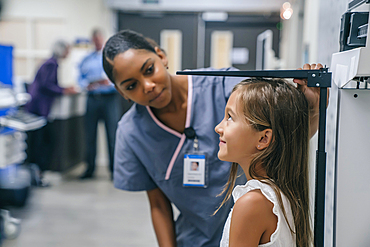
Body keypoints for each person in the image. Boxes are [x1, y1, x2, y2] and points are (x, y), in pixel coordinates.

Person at [102, 29, 322, 246]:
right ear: (121, 93)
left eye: (149, 70)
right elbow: (158, 204)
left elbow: (283, 139)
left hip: (256, 228)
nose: (147, 86)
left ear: (161, 56)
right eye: (131, 86)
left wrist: (313, 111)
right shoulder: (131, 133)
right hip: (194, 239)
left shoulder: (224, 86)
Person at [215, 78, 312, 247]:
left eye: (230, 117)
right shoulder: (280, 195)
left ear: (263, 138)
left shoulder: (252, 204)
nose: (218, 127)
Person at [25, 39, 77, 186]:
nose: (69, 53)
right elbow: (47, 85)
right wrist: (64, 90)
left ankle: (37, 175)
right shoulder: (51, 64)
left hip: (38, 109)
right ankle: (38, 176)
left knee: (40, 143)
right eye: (67, 50)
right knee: (42, 144)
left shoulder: (49, 62)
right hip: (39, 110)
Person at [78, 28, 121, 180]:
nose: (97, 42)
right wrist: (87, 84)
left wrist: (107, 83)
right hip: (92, 99)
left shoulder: (112, 59)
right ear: (92, 40)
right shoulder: (86, 59)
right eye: (94, 39)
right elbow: (80, 79)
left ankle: (114, 171)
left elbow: (119, 79)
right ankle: (89, 169)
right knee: (90, 136)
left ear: (103, 40)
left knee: (112, 135)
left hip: (109, 100)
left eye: (99, 39)